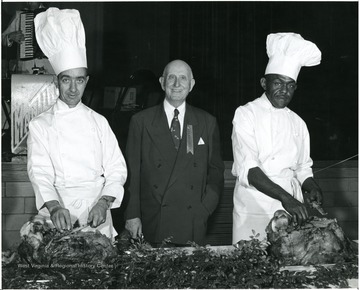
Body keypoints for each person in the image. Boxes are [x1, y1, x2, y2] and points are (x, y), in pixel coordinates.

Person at [26, 8, 127, 241]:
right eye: (66, 80)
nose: (73, 89)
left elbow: (116, 170)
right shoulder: (40, 125)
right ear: (56, 81)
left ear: (87, 81)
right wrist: (54, 207)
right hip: (58, 217)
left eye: (79, 80)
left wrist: (104, 203)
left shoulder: (99, 122)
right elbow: (40, 174)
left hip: (98, 218)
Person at [231, 33, 323, 243]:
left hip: (291, 210)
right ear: (264, 83)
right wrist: (286, 198)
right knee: (252, 268)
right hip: (255, 208)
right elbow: (250, 169)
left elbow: (302, 168)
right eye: (278, 83)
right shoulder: (246, 113)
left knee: (289, 266)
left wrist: (311, 186)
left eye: (290, 85)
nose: (284, 90)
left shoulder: (298, 122)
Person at [124, 59, 224, 247]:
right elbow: (132, 174)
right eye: (171, 78)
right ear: (162, 82)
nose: (177, 84)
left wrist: (205, 208)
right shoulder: (141, 122)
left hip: (193, 221)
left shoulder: (206, 122)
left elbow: (216, 171)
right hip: (153, 220)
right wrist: (132, 215)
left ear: (191, 84)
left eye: (183, 78)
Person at [2, 2, 54, 75]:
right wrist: (10, 37)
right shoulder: (19, 15)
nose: (28, 1)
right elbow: (2, 38)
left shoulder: (52, 14)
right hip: (25, 68)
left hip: (48, 67)